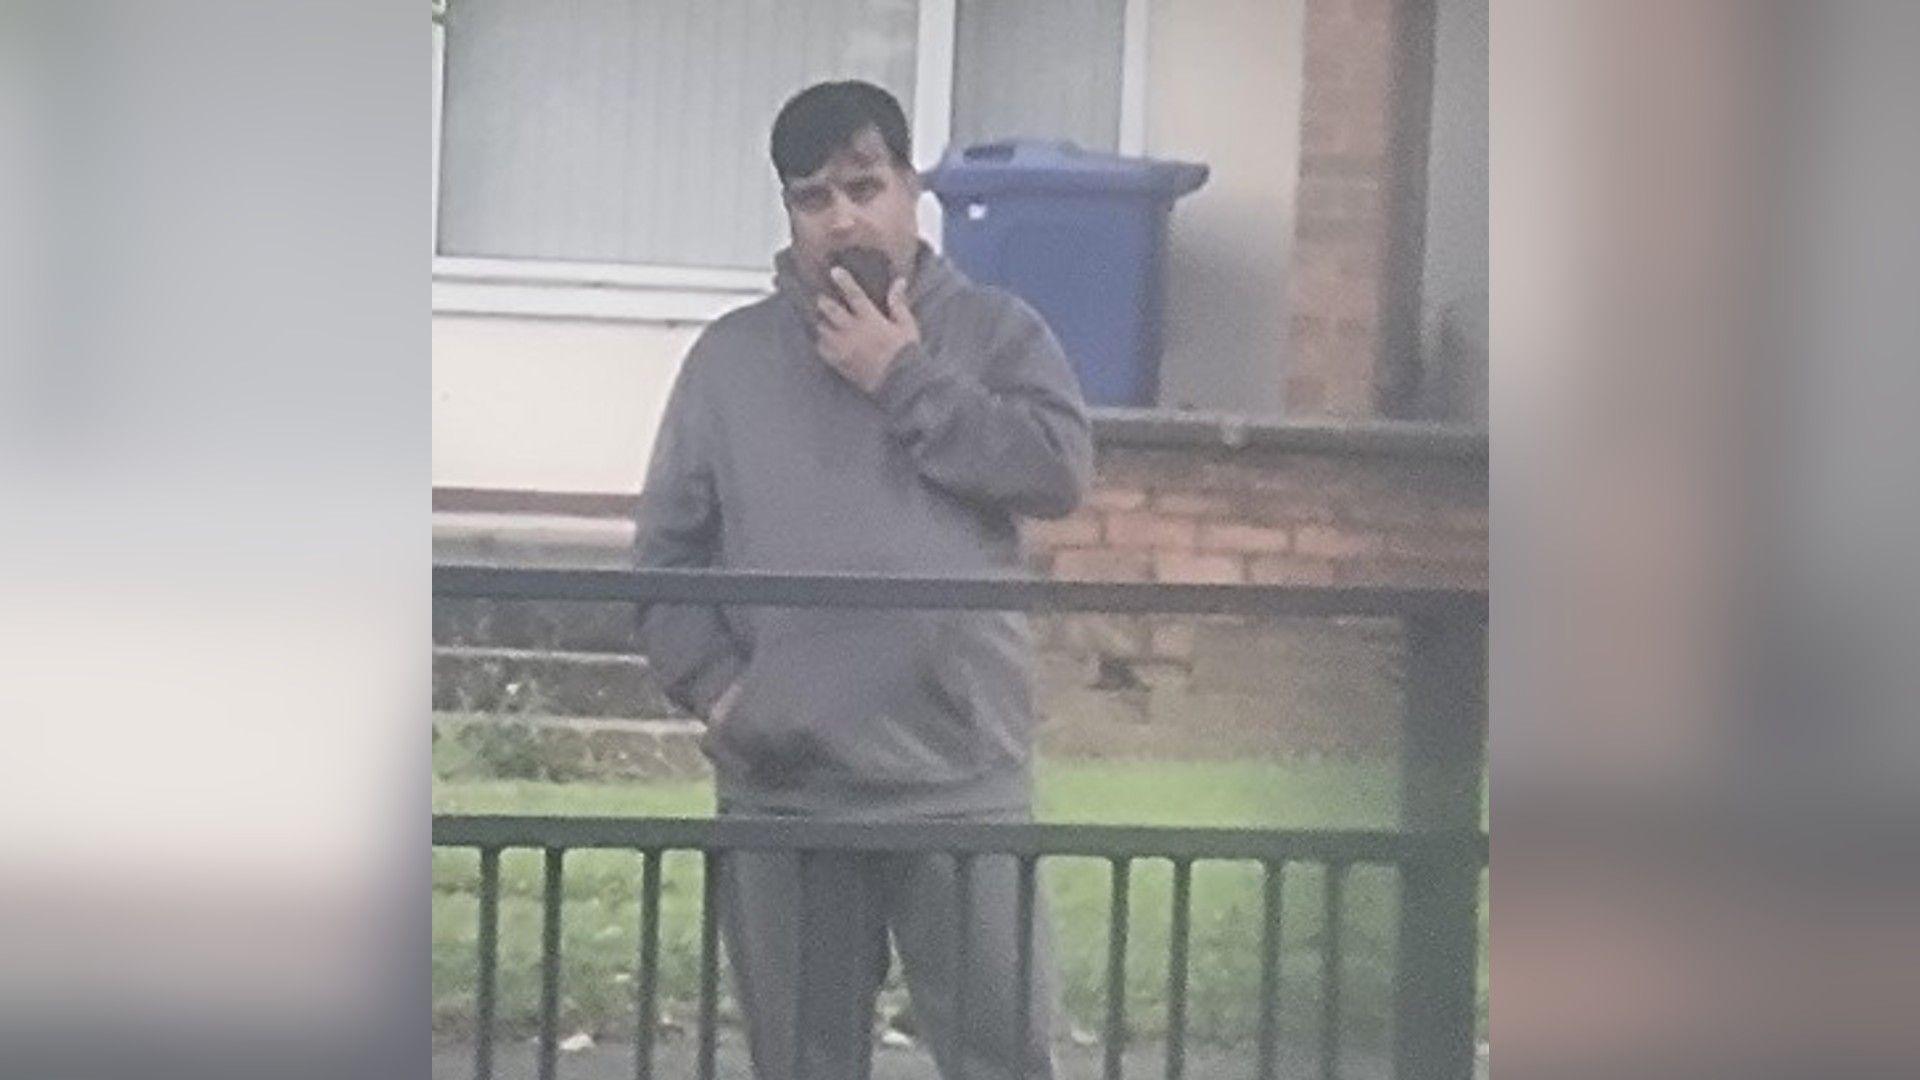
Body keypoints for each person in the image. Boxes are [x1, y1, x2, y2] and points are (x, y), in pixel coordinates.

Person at [632, 80, 1093, 1080]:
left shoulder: (998, 333)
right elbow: (666, 556)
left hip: (959, 779)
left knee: (1004, 1057)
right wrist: (720, 692)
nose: (841, 215)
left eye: (863, 184)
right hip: (787, 790)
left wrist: (902, 375)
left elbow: (1055, 472)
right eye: (810, 197)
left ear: (911, 187)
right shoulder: (728, 360)